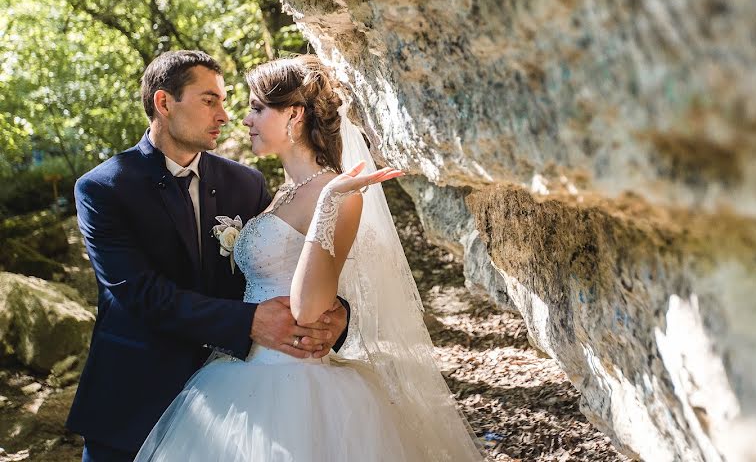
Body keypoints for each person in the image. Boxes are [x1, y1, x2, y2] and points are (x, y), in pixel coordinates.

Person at [134, 55, 484, 461]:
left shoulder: (337, 192)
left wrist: (330, 203)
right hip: (244, 368)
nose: (243, 119)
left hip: (298, 382)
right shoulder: (275, 192)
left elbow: (307, 305)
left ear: (294, 116)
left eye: (257, 108)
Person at [67, 51, 351, 462]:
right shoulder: (103, 189)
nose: (225, 115)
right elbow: (142, 294)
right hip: (134, 400)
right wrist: (249, 321)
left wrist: (336, 313)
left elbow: (278, 264)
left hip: (237, 400)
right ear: (164, 103)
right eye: (209, 100)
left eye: (224, 100)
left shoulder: (245, 183)